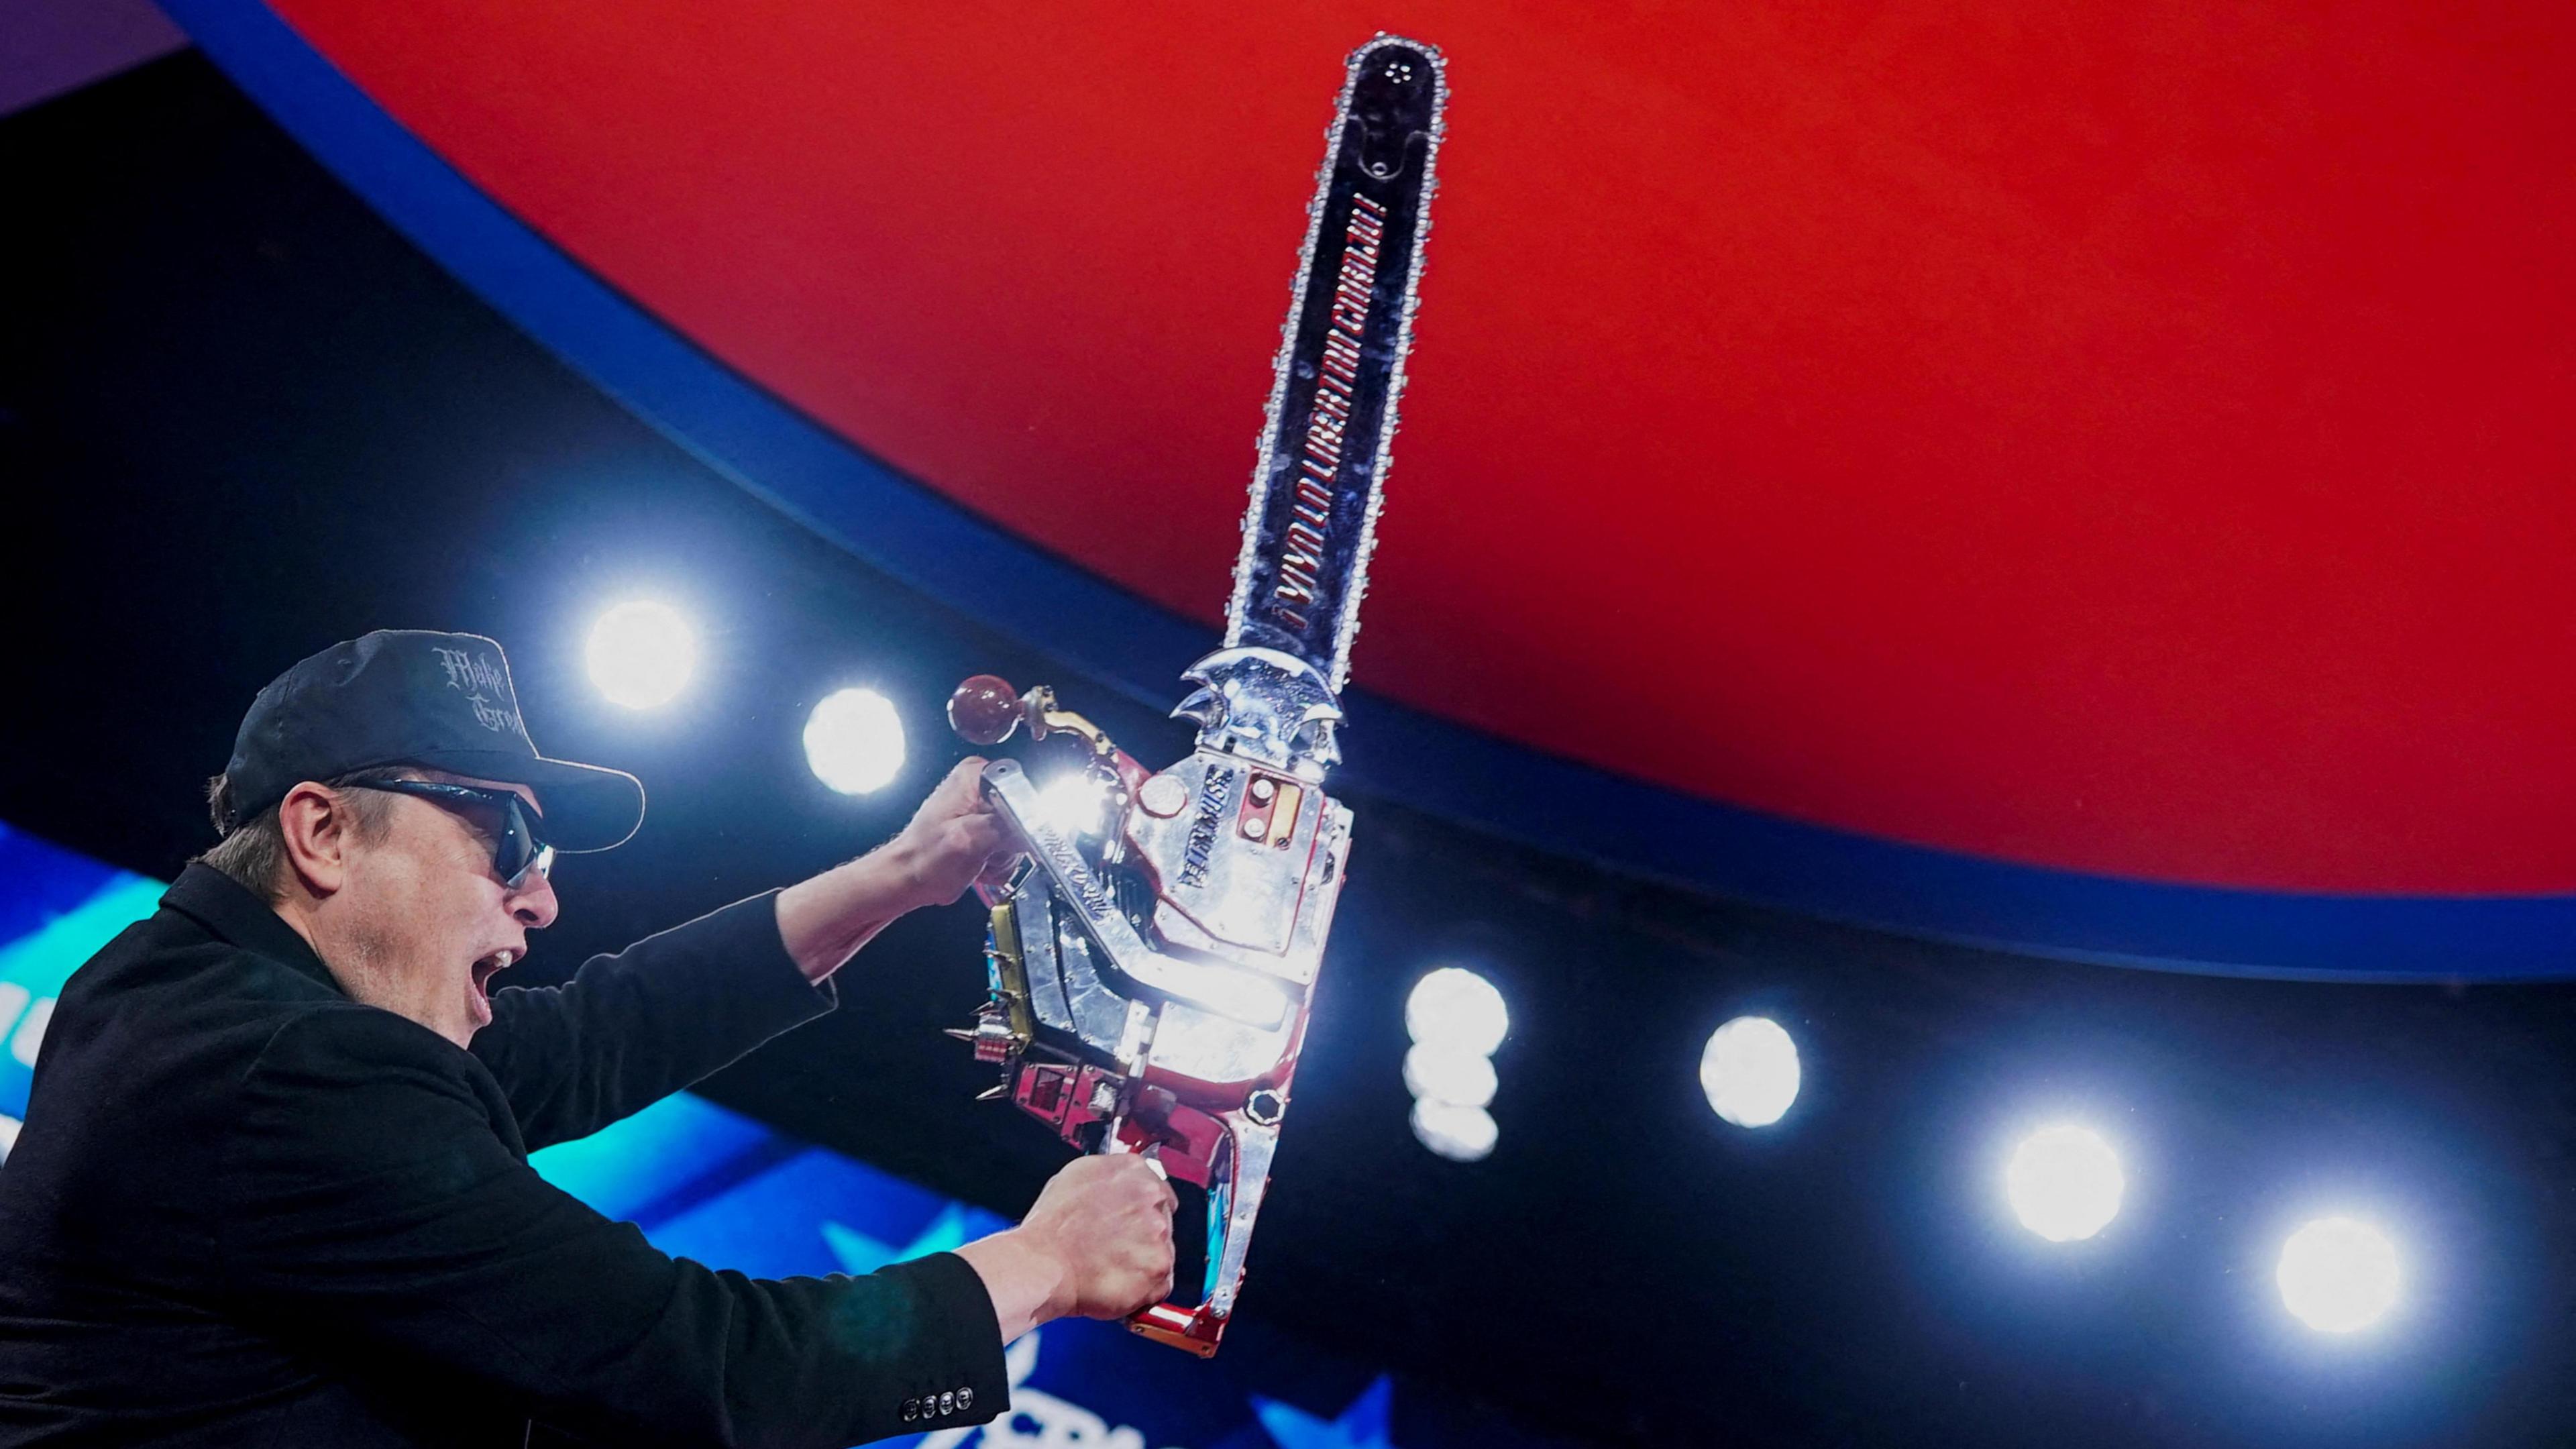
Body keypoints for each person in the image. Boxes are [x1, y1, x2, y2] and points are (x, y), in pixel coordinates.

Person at [0, 630, 1177, 1447]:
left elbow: (593, 1033)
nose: (543, 901)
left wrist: (906, 874)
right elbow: (717, 1373)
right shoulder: (286, 1077)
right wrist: (1048, 1263)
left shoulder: (174, 990)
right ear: (324, 833)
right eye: (507, 842)